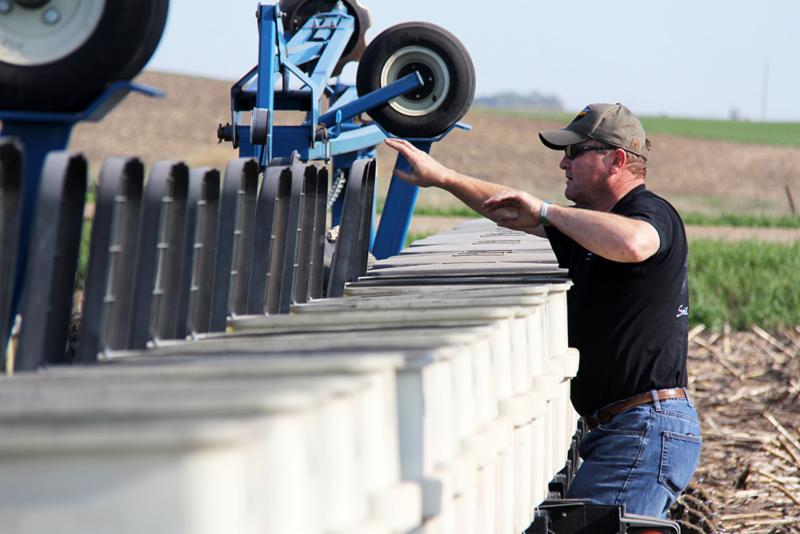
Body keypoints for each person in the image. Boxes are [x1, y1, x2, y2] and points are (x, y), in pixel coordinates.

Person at [384, 103, 701, 518]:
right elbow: (509, 210)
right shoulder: (589, 229)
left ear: (616, 160)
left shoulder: (650, 213)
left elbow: (635, 244)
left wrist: (548, 211)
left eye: (575, 152)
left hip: (642, 428)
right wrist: (442, 178)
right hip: (627, 429)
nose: (562, 163)